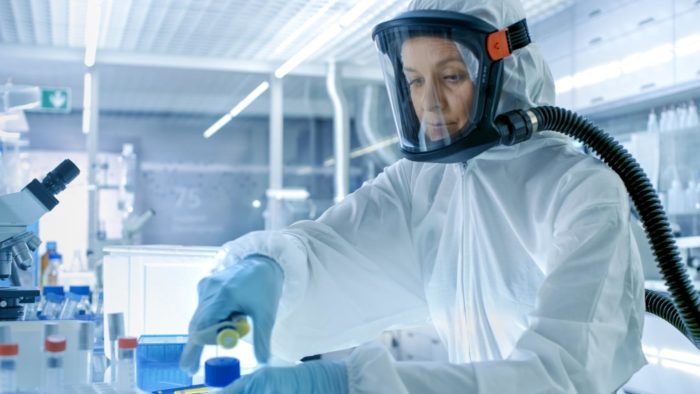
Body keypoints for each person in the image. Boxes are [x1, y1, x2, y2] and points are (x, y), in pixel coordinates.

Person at [180, 0, 647, 392]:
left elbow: (562, 376)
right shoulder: (422, 184)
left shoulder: (580, 192)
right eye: (415, 79)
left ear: (503, 73)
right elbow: (330, 258)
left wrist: (353, 386)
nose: (429, 103)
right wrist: (267, 271)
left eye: (451, 77)